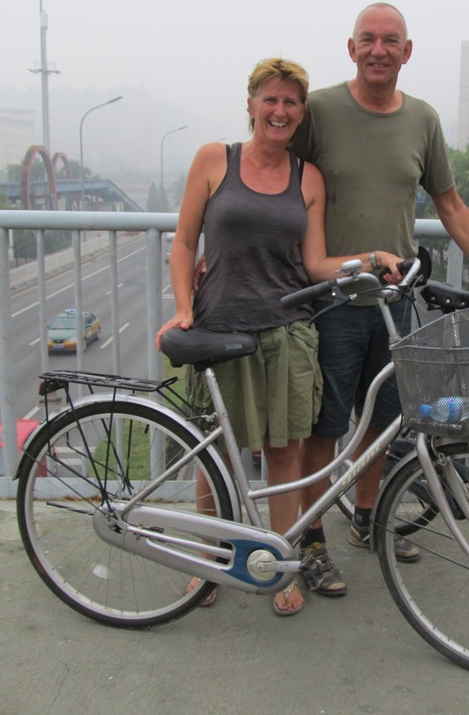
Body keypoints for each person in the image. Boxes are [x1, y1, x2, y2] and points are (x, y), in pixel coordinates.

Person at [292, 3, 469, 597]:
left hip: (393, 302)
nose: (378, 50)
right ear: (351, 48)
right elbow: (272, 175)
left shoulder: (422, 120)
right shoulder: (319, 111)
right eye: (368, 39)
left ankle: (367, 519)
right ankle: (311, 539)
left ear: (407, 51)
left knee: (382, 422)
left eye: (390, 40)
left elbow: (450, 205)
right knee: (323, 427)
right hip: (331, 301)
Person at [155, 57, 403, 616]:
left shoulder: (306, 177)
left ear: (301, 112)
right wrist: (184, 309)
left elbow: (315, 265)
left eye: (291, 102)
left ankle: (279, 564)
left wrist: (371, 258)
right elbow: (184, 243)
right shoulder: (214, 160)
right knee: (217, 453)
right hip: (220, 326)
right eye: (270, 99)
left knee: (285, 452)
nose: (280, 110)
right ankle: (209, 562)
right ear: (251, 105)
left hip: (288, 331)